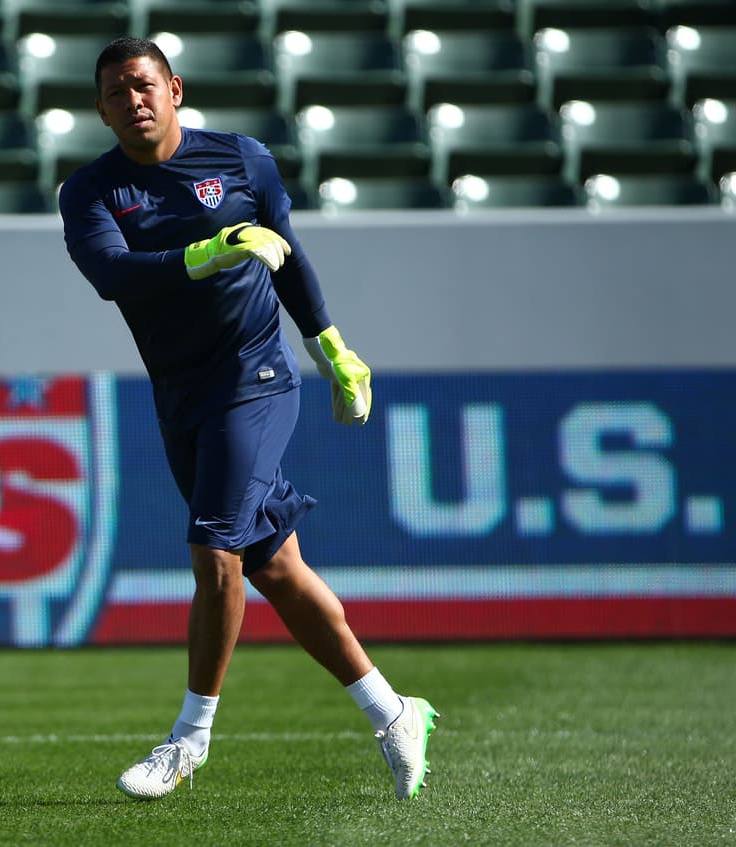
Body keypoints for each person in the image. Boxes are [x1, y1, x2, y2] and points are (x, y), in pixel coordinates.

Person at [58, 36, 439, 802]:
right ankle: (395, 711)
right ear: (101, 111)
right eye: (114, 93)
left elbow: (288, 256)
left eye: (142, 85)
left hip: (256, 377)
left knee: (215, 552)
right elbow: (111, 274)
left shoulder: (241, 159)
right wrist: (213, 249)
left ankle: (187, 739)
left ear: (174, 89)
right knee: (274, 567)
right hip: (180, 393)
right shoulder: (89, 192)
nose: (131, 100)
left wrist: (331, 346)